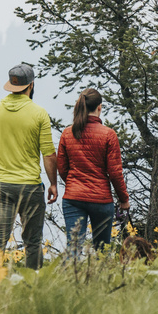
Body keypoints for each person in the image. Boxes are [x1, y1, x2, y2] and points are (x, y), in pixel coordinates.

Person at [0, 63, 58, 269]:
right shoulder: (39, 113)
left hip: (2, 185)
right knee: (33, 242)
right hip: (31, 186)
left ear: (10, 85)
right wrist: (53, 183)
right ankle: (33, 287)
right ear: (31, 85)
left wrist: (4, 170)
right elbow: (49, 154)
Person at [56, 88, 130, 255]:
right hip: (101, 199)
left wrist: (73, 182)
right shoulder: (109, 135)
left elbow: (62, 167)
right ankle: (100, 280)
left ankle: (69, 279)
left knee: (73, 248)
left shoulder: (68, 133)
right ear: (99, 107)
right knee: (102, 250)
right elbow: (115, 172)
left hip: (73, 197)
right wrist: (123, 199)